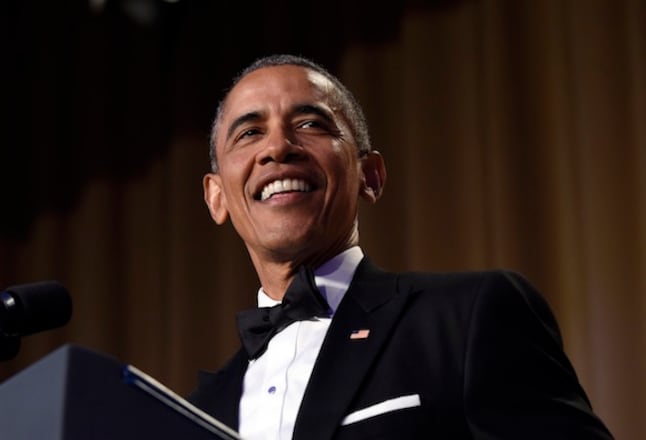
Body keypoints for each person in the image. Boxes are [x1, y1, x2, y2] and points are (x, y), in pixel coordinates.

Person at [188, 54, 614, 440]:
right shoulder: (201, 409)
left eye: (310, 124)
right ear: (217, 196)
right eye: (249, 132)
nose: (277, 147)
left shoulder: (467, 318)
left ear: (370, 176)